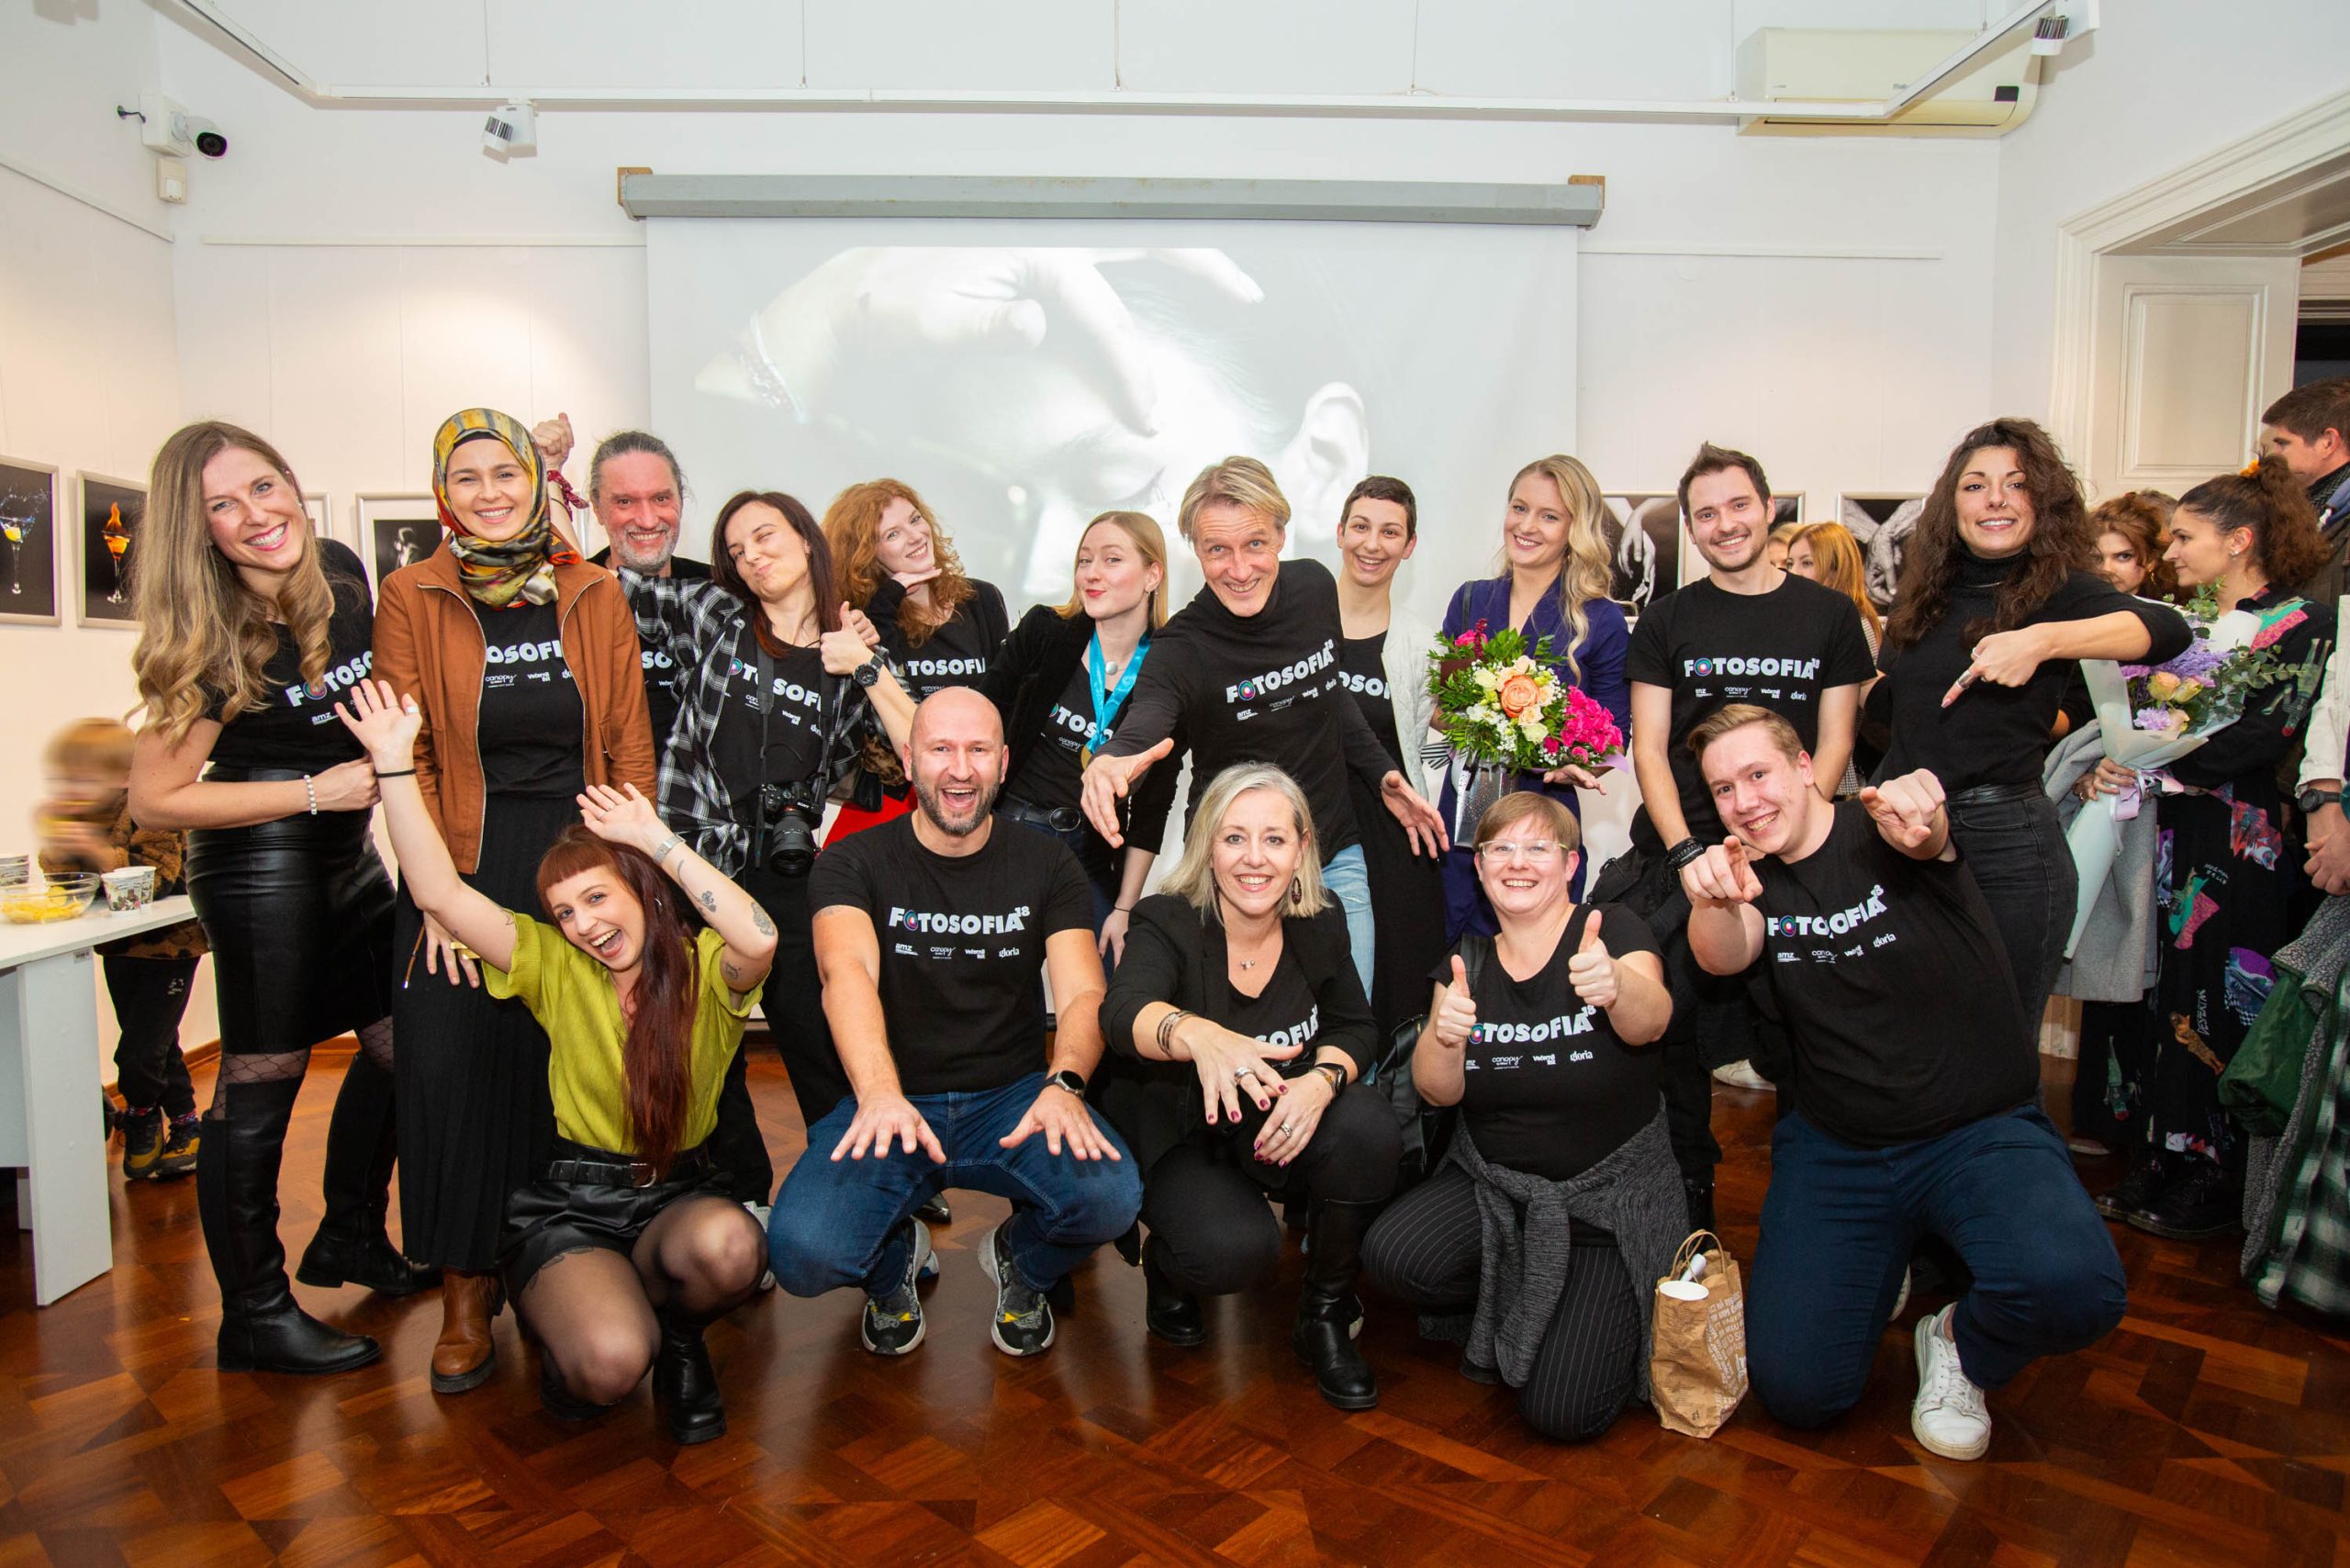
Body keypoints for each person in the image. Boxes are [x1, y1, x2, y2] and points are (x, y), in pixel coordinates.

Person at [1685, 704, 2126, 1460]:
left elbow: (1930, 839)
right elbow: (1723, 954)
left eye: (1758, 774)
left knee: (2076, 1290)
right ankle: (1874, 1265)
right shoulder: (1745, 877)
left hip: (1976, 1131)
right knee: (1798, 1393)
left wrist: (1929, 827)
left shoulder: (1883, 825)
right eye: (1724, 789)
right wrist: (1714, 901)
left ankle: (1959, 1342)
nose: (1745, 801)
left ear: (1804, 766)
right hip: (1840, 1149)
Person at [338, 678, 772, 1443]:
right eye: (565, 912)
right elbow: (438, 892)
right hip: (576, 1206)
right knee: (608, 1364)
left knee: (735, 1246)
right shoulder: (553, 965)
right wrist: (395, 764)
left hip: (678, 1195)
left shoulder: (705, 969)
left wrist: (655, 841)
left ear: (642, 891)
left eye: (598, 899)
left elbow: (759, 937)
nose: (583, 925)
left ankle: (680, 1338)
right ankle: (580, 1328)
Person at [128, 420, 426, 1375]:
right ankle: (253, 1311)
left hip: (345, 849)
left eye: (263, 486)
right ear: (201, 530)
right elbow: (156, 798)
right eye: (223, 505)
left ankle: (350, 1233)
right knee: (263, 1074)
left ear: (292, 483)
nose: (256, 514)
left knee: (401, 1042)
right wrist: (311, 792)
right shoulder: (210, 638)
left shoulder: (339, 570)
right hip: (259, 862)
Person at [373, 407, 657, 1396]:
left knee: (556, 1069)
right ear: (441, 493)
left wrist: (630, 874)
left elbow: (628, 740)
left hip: (576, 862)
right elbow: (405, 753)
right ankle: (463, 1288)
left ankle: (548, 1267)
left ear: (537, 483)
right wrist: (437, 895)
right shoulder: (413, 592)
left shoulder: (593, 590)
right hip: (459, 860)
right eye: (468, 477)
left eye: (507, 473)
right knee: (449, 1071)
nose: (489, 492)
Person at [767, 689, 1143, 1358]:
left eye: (978, 750)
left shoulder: (1047, 862)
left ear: (1003, 762)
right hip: (893, 1099)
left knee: (1112, 1200)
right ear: (910, 760)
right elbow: (844, 975)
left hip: (1012, 1101)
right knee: (803, 1254)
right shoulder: (853, 860)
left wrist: (1066, 1084)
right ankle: (893, 1265)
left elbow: (1084, 992)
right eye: (941, 749)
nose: (961, 769)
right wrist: (879, 1094)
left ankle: (1021, 1262)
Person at [617, 488, 915, 1193]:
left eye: (764, 536)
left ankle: (864, 1195)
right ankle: (741, 1193)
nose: (751, 556)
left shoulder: (852, 647)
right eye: (736, 549)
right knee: (701, 1043)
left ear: (806, 538)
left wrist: (865, 665)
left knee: (820, 1043)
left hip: (789, 866)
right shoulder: (714, 615)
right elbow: (608, 589)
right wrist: (555, 486)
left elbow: (924, 753)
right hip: (693, 863)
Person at [1362, 791, 1683, 1442]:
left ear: (1570, 864)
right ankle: (1525, 1280)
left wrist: (1617, 986)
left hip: (1605, 1207)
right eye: (1500, 849)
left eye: (1538, 848)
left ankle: (1589, 1295)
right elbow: (1437, 1093)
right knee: (1393, 1256)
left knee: (1561, 1412)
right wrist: (1443, 1038)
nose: (1517, 862)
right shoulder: (1466, 962)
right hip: (1497, 1190)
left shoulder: (1611, 929)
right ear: (1479, 867)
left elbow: (1652, 1023)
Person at [1613, 444, 1874, 1223]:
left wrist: (1787, 834)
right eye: (1706, 514)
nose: (1724, 524)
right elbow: (1650, 749)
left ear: (1767, 508)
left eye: (1737, 506)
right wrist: (1690, 854)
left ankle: (1821, 1210)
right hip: (1686, 861)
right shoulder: (1666, 620)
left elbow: (1835, 740)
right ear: (1691, 527)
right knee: (1675, 1046)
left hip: (1797, 864)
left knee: (1806, 1043)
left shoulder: (1829, 617)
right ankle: (1687, 1214)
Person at [1096, 762, 1400, 1408]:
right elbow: (1120, 1013)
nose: (1254, 859)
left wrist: (1322, 1081)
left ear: (1301, 849)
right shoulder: (1168, 919)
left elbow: (1354, 1026)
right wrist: (1195, 1034)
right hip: (1188, 1132)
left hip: (1277, 1119)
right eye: (1234, 838)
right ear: (1207, 847)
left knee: (1369, 1124)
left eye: (1274, 839)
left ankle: (1322, 1316)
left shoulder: (1319, 920)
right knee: (1234, 1253)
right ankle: (1169, 1269)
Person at [1081, 457, 1449, 990]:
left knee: (1350, 1022)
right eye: (1217, 550)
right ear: (1196, 551)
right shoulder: (1182, 646)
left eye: (1254, 543)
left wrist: (1383, 773)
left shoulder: (1314, 588)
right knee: (1243, 1029)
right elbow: (1147, 720)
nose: (1238, 569)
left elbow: (1331, 694)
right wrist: (1111, 760)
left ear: (1280, 535)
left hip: (1331, 856)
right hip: (1234, 871)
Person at [1871, 418, 2191, 1025]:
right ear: (1951, 504)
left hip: (2004, 845)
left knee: (1995, 1041)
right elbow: (1900, 710)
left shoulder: (2059, 590)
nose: (1995, 498)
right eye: (1975, 485)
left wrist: (2042, 640)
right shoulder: (1924, 592)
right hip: (1903, 832)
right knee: (1908, 1031)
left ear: (2042, 502)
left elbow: (2167, 631)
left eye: (2016, 484)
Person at [2090, 460, 2334, 1240]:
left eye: (2184, 538)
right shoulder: (2180, 622)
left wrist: (2159, 760)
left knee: (2224, 991)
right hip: (2166, 829)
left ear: (2239, 540)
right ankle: (2165, 1149)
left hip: (2240, 835)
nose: (2170, 552)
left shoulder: (2303, 621)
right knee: (2164, 990)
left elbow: (2271, 730)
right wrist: (2128, 753)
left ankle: (2218, 1169)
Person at [1437, 456, 1628, 927]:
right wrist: (1499, 729)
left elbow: (1614, 741)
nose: (1526, 526)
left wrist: (1565, 762)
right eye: (1519, 508)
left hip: (1545, 813)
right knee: (1455, 945)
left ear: (1574, 529)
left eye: (1549, 516)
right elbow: (1443, 709)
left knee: (1541, 947)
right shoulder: (1471, 600)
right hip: (1465, 810)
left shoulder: (1600, 619)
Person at [980, 509, 1175, 954]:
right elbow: (982, 714)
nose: (1091, 573)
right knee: (997, 975)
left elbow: (1154, 806)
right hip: (1007, 832)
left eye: (1111, 559)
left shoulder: (1168, 669)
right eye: (1085, 560)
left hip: (1087, 853)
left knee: (1106, 977)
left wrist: (1125, 907)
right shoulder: (1046, 632)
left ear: (1152, 575)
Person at [2059, 491, 2179, 1161]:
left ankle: (2162, 1121)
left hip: (2167, 822)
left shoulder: (2176, 636)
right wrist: (2086, 774)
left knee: (2158, 972)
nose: (2108, 569)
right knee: (2107, 962)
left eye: (2123, 556)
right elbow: (2068, 729)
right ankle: (2106, 1113)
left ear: (2149, 563)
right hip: (2103, 812)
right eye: (2096, 557)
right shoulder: (2073, 638)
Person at [39, 719, 208, 1182]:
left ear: (125, 777)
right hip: (119, 949)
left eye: (82, 778)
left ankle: (140, 1114)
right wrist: (59, 843)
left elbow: (158, 880)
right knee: (157, 1044)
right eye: (66, 778)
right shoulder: (84, 819)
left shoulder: (150, 811)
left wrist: (94, 850)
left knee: (138, 1052)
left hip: (170, 949)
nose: (72, 789)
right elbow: (64, 882)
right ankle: (188, 1126)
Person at [1331, 476, 1449, 1039]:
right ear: (1340, 532)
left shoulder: (1425, 645)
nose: (1372, 544)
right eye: (1361, 527)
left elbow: (1464, 728)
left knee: (1399, 991)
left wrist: (1551, 750)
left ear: (1410, 545)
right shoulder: (1295, 630)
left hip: (1397, 839)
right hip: (1314, 832)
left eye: (1390, 532)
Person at [531, 418, 711, 755]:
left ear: (681, 501)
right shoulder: (559, 598)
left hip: (698, 788)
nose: (647, 519)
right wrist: (548, 471)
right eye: (625, 502)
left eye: (661, 498)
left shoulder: (719, 592)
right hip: (603, 785)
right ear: (597, 508)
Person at [2262, 380, 2350, 900]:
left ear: (2329, 441)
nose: (2269, 458)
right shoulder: (2310, 513)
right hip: (2300, 747)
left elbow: (2334, 666)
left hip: (2326, 750)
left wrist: (2314, 788)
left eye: (2281, 443)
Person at [1788, 521, 1886, 796]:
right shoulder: (1802, 623)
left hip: (1832, 783)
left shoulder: (1854, 625)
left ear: (1836, 569)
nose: (1793, 573)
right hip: (1793, 775)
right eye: (1790, 563)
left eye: (1807, 563)